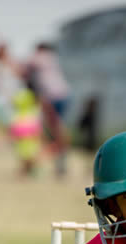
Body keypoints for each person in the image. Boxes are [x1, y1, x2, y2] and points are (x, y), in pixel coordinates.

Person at [22, 42, 71, 175]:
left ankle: (34, 162)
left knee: (53, 135)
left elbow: (22, 70)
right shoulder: (52, 58)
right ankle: (59, 165)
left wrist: (2, 57)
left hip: (52, 98)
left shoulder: (40, 57)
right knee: (57, 133)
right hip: (62, 96)